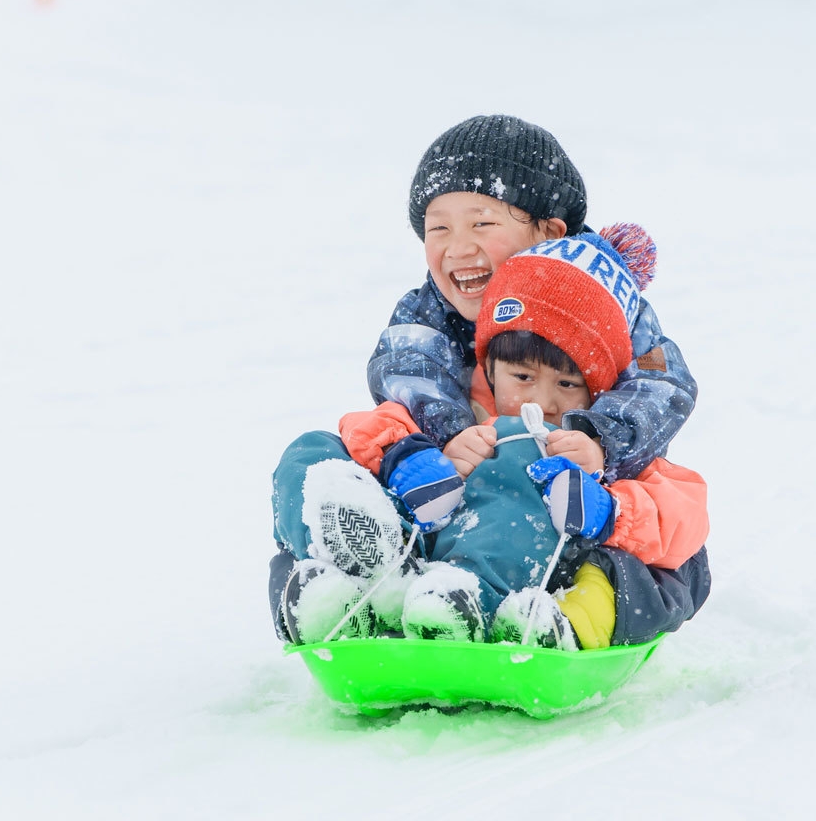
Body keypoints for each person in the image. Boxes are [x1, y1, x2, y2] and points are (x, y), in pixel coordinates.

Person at [268, 225, 709, 650]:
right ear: (487, 370)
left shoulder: (600, 449)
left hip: (525, 588)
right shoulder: (457, 413)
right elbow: (368, 424)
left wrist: (611, 511)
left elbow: (686, 516)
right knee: (315, 451)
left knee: (528, 459)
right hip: (415, 544)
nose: (543, 399)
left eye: (569, 384)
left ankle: (464, 605)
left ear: (599, 391)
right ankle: (351, 584)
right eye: (522, 376)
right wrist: (404, 456)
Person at [369, 115, 696, 486]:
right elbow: (406, 368)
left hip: (574, 481)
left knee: (668, 499)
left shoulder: (604, 297)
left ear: (548, 234)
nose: (457, 249)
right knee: (336, 448)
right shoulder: (427, 310)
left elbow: (661, 383)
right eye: (439, 228)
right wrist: (452, 436)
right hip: (462, 482)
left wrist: (599, 440)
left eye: (482, 224)